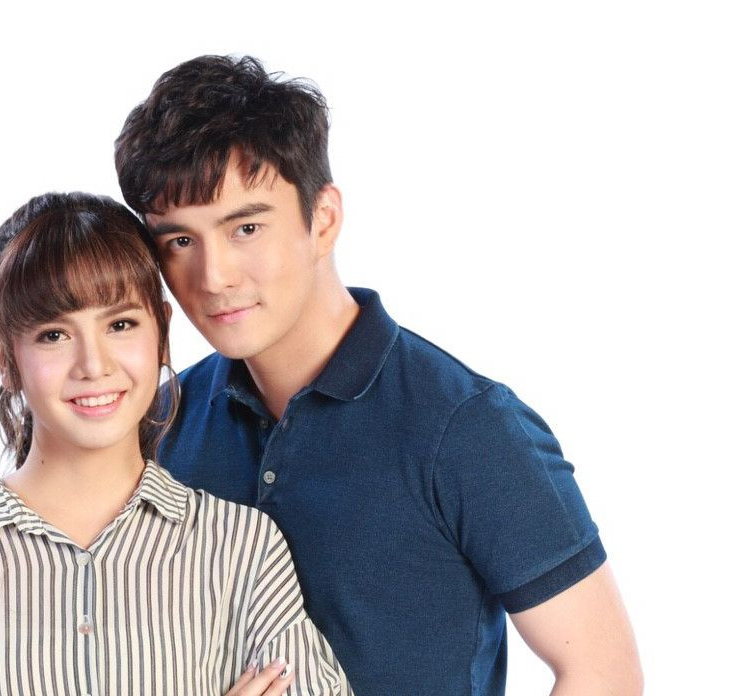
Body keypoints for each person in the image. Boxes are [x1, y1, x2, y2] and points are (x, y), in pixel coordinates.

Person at [115, 55, 643, 695]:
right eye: (179, 241)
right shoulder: (158, 422)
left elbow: (602, 671)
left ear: (323, 219)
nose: (214, 276)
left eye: (246, 227)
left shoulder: (465, 425)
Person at [0, 192, 352, 695]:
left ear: (162, 334)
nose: (94, 365)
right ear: (5, 358)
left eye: (120, 325)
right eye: (53, 335)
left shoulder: (240, 544)